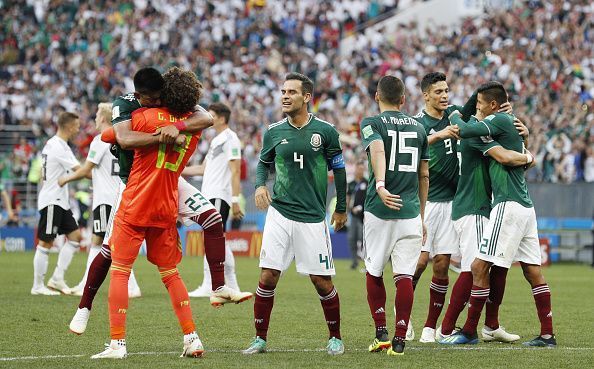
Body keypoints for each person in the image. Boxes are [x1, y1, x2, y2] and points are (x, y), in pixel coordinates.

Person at [68, 67, 245, 336]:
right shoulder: (125, 104)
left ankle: (218, 287)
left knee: (212, 218)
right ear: (140, 95)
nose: (157, 102)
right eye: (151, 99)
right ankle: (84, 308)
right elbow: (124, 139)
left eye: (159, 96)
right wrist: (163, 135)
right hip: (133, 184)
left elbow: (205, 117)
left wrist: (177, 126)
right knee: (108, 250)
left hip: (168, 178)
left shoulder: (166, 97)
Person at [91, 67, 206, 359]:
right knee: (170, 274)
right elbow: (208, 117)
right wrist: (176, 132)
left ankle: (117, 344)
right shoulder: (192, 124)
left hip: (136, 203)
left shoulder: (143, 118)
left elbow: (111, 136)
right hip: (166, 205)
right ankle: (191, 337)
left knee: (120, 271)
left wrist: (153, 135)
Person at [442, 81, 556, 347]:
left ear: (492, 105)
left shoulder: (499, 120)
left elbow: (468, 129)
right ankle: (547, 334)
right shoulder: (510, 124)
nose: (477, 107)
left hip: (507, 204)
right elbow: (513, 154)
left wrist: (454, 114)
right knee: (532, 271)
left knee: (479, 266)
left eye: (481, 103)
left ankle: (469, 331)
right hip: (525, 206)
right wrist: (528, 152)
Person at [242, 72, 347, 356]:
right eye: (283, 91)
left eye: (291, 92)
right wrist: (260, 185)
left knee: (321, 281)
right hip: (280, 212)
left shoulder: (325, 131)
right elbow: (263, 164)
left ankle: (335, 337)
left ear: (307, 97)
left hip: (312, 216)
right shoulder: (274, 131)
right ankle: (260, 339)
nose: (285, 96)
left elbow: (339, 170)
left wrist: (341, 207)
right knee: (267, 277)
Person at [411, 72, 513, 343]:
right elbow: (410, 148)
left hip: (453, 200)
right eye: (438, 92)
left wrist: (496, 97)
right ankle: (404, 317)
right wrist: (437, 135)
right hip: (427, 201)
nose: (444, 96)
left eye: (446, 90)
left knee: (442, 264)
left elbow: (478, 105)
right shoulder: (417, 124)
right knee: (419, 262)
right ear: (425, 95)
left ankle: (430, 327)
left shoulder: (456, 113)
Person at [438, 114, 532, 343]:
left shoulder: (479, 131)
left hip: (477, 207)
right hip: (476, 208)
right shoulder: (476, 134)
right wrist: (528, 155)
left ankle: (491, 325)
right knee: (474, 269)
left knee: (496, 266)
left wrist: (524, 139)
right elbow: (506, 157)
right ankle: (448, 329)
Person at [361, 75, 429, 356]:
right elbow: (424, 174)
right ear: (403, 99)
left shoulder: (371, 123)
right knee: (404, 276)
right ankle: (400, 339)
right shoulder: (420, 128)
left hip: (380, 209)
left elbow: (377, 148)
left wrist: (380, 184)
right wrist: (422, 216)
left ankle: (381, 333)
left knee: (374, 270)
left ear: (377, 96)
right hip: (411, 211)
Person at [183, 102, 251, 299]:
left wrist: (235, 199)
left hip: (220, 194)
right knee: (217, 238)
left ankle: (209, 283)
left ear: (221, 118)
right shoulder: (216, 140)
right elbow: (203, 169)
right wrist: (179, 169)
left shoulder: (231, 139)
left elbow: (235, 170)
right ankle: (232, 285)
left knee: (213, 238)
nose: (208, 119)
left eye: (211, 115)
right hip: (209, 194)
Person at [58, 103, 121, 296]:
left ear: (102, 118)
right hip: (119, 198)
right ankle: (130, 286)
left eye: (96, 115)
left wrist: (65, 178)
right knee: (112, 244)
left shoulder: (100, 139)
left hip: (105, 200)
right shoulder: (122, 137)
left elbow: (86, 170)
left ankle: (85, 284)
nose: (94, 119)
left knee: (98, 241)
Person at [31, 112, 82, 296]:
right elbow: (80, 170)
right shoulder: (59, 147)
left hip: (60, 200)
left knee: (75, 237)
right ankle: (37, 286)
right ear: (69, 126)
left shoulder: (55, 144)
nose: (78, 129)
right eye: (76, 125)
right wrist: (99, 171)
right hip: (53, 200)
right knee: (46, 242)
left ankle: (57, 278)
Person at [347, 160, 367, 270]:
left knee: (362, 239)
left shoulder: (367, 182)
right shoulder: (351, 184)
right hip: (353, 216)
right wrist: (348, 209)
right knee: (352, 239)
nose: (360, 170)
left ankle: (366, 263)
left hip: (363, 217)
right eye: (358, 168)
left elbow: (368, 200)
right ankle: (354, 262)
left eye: (361, 168)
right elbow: (348, 198)